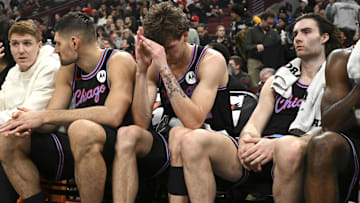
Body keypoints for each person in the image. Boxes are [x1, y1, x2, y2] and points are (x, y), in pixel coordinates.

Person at [176, 13, 341, 203]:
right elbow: (255, 123)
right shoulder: (277, 80)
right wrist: (247, 139)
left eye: (306, 32)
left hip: (299, 150)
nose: (297, 38)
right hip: (260, 150)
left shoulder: (336, 80)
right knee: (192, 140)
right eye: (295, 33)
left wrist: (275, 145)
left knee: (289, 148)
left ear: (324, 37)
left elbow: (330, 130)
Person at [0, 12, 136, 203]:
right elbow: (50, 120)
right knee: (9, 138)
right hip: (78, 143)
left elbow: (113, 115)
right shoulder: (68, 69)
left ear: (74, 42)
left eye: (58, 43)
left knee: (81, 129)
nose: (54, 50)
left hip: (120, 145)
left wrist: (46, 116)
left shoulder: (118, 60)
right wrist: (27, 122)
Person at [112, 2, 234, 203]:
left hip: (216, 138)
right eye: (160, 50)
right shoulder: (153, 64)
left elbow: (193, 121)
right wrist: (142, 70)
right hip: (173, 141)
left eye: (169, 48)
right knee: (127, 134)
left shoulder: (211, 61)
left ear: (185, 36)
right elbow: (142, 123)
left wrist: (165, 70)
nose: (164, 56)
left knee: (181, 133)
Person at [0, 19, 60, 203]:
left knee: (7, 138)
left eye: (27, 43)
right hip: (22, 134)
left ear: (39, 45)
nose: (21, 50)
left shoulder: (50, 66)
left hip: (53, 137)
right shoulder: (13, 72)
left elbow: (27, 115)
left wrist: (8, 117)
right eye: (15, 44)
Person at [304, 34, 360, 203]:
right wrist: (358, 88)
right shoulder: (341, 59)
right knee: (323, 144)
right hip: (355, 140)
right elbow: (330, 123)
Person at [244, 10, 279, 88]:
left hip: (269, 61)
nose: (270, 26)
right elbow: (246, 46)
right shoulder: (251, 31)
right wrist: (255, 47)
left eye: (272, 24)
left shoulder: (273, 33)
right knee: (254, 84)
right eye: (269, 23)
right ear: (262, 20)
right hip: (254, 59)